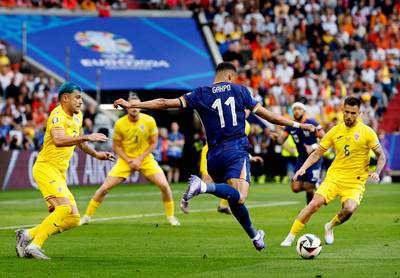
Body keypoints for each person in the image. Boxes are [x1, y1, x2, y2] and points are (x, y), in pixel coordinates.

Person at [114, 62, 315, 251]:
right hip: (236, 149)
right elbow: (269, 116)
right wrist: (298, 125)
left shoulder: (200, 93)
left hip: (213, 155)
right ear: (230, 75)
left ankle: (255, 236)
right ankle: (203, 186)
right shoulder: (240, 90)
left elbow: (165, 103)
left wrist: (133, 105)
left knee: (232, 197)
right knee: (241, 195)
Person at [15, 82, 115, 260]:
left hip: (59, 173)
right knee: (63, 208)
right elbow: (59, 140)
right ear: (65, 98)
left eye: (81, 98)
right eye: (77, 97)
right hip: (46, 168)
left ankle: (27, 234)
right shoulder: (57, 115)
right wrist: (87, 136)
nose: (80, 102)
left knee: (73, 218)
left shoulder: (78, 116)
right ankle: (35, 245)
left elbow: (80, 142)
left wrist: (97, 154)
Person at [280, 97, 386, 247]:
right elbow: (317, 153)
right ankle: (290, 237)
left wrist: (377, 171)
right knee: (313, 204)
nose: (349, 116)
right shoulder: (335, 131)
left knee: (349, 209)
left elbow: (381, 155)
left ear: (359, 113)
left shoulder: (367, 132)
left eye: (353, 113)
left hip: (355, 182)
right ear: (342, 110)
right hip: (334, 177)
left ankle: (330, 226)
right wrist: (303, 168)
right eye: (346, 112)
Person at [81, 93, 180, 226]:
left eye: (136, 105)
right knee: (104, 188)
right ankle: (86, 217)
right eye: (131, 106)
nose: (134, 108)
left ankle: (171, 217)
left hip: (145, 159)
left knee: (164, 186)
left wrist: (139, 159)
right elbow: (116, 146)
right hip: (125, 160)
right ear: (127, 108)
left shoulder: (149, 120)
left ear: (140, 106)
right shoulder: (120, 123)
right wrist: (129, 160)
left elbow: (153, 143)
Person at [200, 119, 263, 215]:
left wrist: (250, 157)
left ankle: (223, 204)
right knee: (207, 183)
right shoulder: (237, 120)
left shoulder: (244, 123)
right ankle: (189, 197)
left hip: (224, 153)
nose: (246, 110)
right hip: (216, 152)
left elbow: (238, 145)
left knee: (235, 187)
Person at [274, 102, 325, 204]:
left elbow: (325, 138)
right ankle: (318, 183)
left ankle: (309, 208)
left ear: (304, 111)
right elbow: (280, 141)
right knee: (295, 188)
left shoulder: (311, 123)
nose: (296, 111)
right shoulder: (291, 125)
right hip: (301, 159)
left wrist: (313, 146)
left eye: (299, 109)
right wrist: (276, 138)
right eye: (294, 109)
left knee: (309, 188)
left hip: (314, 158)